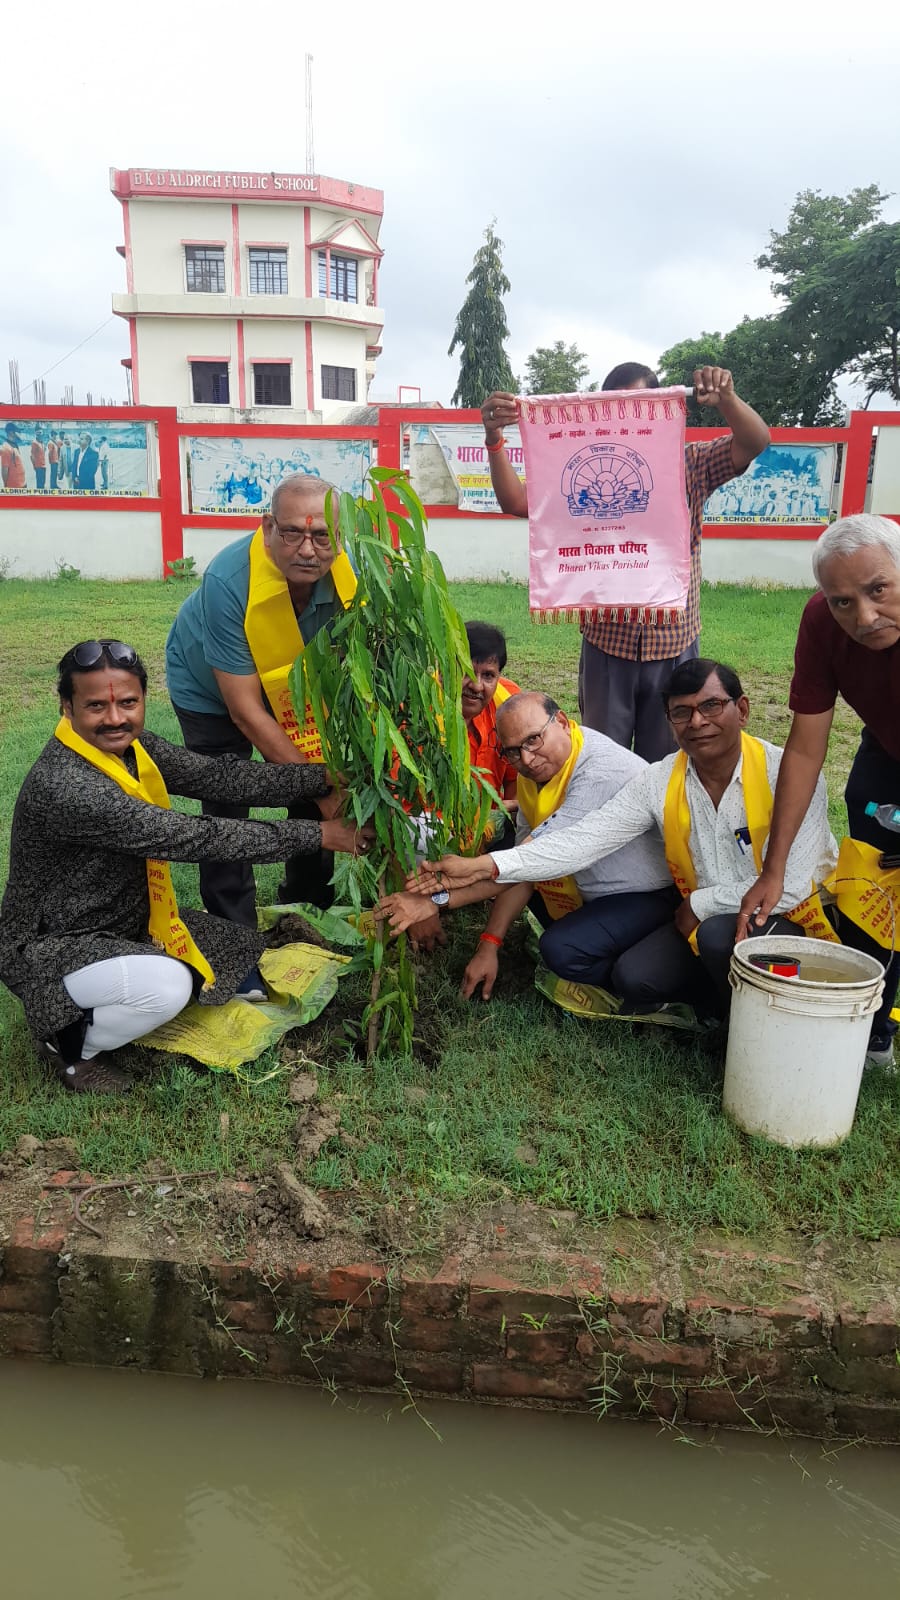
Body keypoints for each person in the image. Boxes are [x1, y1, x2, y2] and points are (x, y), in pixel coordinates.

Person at [0, 640, 370, 1095]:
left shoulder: (130, 747)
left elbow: (219, 778)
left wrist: (323, 776)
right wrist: (319, 835)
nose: (115, 717)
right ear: (66, 706)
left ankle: (103, 994)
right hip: (51, 945)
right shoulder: (69, 787)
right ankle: (68, 1044)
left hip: (122, 919)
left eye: (128, 702)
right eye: (95, 705)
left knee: (238, 953)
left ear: (142, 700)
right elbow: (195, 837)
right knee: (169, 988)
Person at [414, 660, 837, 1022]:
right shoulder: (660, 781)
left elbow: (795, 882)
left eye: (711, 706)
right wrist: (482, 866)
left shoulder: (788, 773)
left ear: (742, 709)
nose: (698, 723)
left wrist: (699, 904)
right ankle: (710, 1008)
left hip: (794, 916)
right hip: (692, 914)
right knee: (635, 976)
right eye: (682, 713)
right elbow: (582, 841)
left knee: (716, 936)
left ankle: (747, 1026)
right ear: (669, 723)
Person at [481, 365, 770, 762]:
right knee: (605, 758)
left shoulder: (689, 465)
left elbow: (755, 441)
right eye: (613, 406)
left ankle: (662, 825)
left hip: (673, 643)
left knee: (668, 759)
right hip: (607, 646)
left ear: (660, 407)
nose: (623, 415)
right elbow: (516, 502)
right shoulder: (575, 462)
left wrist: (728, 400)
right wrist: (494, 439)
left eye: (635, 405)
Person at [382, 690, 676, 1002]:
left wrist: (435, 900)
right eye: (512, 751)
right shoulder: (535, 771)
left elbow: (534, 861)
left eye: (534, 739)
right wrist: (489, 942)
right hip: (581, 883)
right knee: (514, 851)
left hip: (646, 894)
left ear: (561, 721)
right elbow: (525, 866)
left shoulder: (600, 772)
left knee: (564, 951)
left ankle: (645, 962)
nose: (526, 758)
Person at [738, 513, 900, 1066]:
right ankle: (872, 1031)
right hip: (888, 747)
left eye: (878, 589)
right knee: (872, 888)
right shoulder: (821, 622)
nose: (866, 616)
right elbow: (806, 749)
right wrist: (774, 868)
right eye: (843, 601)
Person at [165, 472, 354, 926]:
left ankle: (305, 911)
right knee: (228, 798)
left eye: (322, 536)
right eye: (292, 533)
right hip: (212, 694)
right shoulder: (229, 580)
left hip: (299, 689)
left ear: (340, 536)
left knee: (312, 787)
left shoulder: (352, 576)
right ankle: (234, 931)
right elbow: (245, 712)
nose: (308, 550)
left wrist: (321, 787)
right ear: (268, 528)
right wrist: (321, 790)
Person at [1, 422, 26, 489]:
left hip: (22, 483)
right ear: (11, 432)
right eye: (18, 431)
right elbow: (4, 470)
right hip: (15, 486)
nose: (20, 434)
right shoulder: (6, 448)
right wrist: (6, 486)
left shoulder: (14, 445)